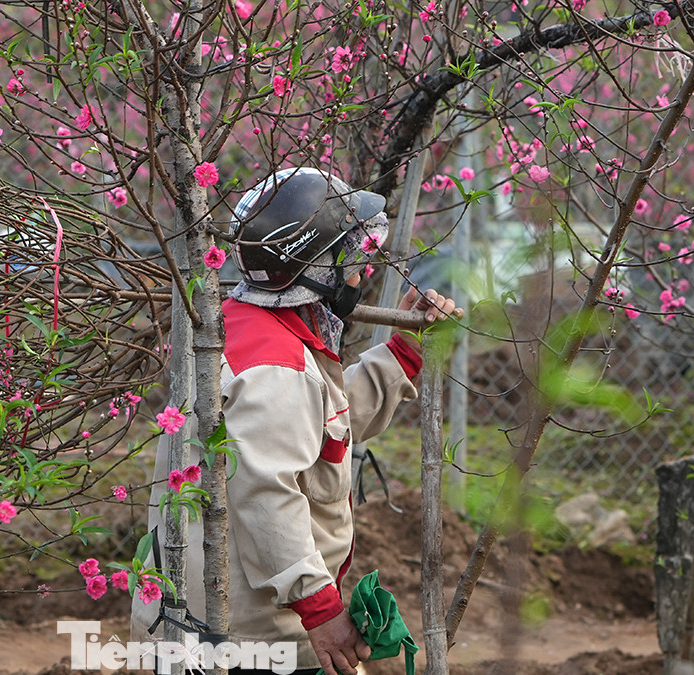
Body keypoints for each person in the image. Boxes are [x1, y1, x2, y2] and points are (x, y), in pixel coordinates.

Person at [131, 167, 459, 675]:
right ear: (317, 268)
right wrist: (321, 610)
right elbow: (267, 494)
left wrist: (403, 354)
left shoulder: (249, 325)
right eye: (350, 260)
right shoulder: (276, 369)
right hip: (245, 637)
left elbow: (317, 430)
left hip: (210, 619)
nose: (361, 273)